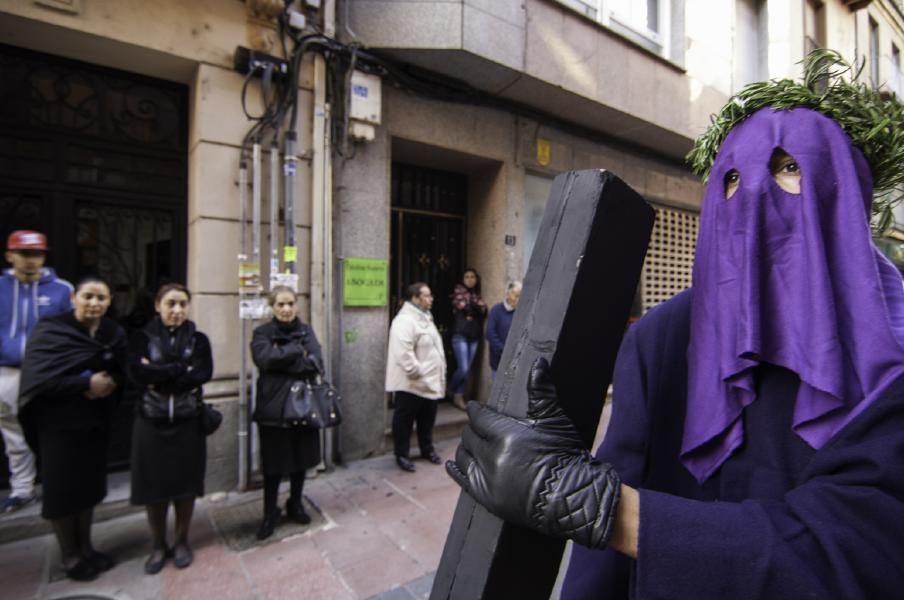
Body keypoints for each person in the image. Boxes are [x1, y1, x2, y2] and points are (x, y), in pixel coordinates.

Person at [445, 50, 904, 598]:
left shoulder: (894, 348)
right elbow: (602, 557)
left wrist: (606, 509)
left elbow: (863, 549)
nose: (755, 191)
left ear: (843, 190)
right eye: (731, 177)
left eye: (789, 168)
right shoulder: (663, 338)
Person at [18, 275, 127, 582]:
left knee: (88, 488)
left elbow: (123, 370)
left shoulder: (111, 332)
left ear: (108, 302)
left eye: (101, 298)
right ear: (73, 299)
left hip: (94, 422)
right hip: (58, 425)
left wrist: (110, 384)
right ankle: (69, 555)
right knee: (62, 492)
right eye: (88, 297)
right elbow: (38, 380)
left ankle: (87, 547)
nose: (94, 303)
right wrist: (84, 384)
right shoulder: (51, 330)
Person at [128, 283, 213, 574]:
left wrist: (160, 372)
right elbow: (137, 373)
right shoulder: (142, 337)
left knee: (185, 486)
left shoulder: (198, 340)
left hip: (188, 420)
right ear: (158, 305)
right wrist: (179, 370)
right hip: (151, 420)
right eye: (171, 304)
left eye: (182, 304)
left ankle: (181, 541)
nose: (177, 310)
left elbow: (202, 373)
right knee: (154, 488)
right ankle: (157, 544)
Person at [0, 230, 71, 513]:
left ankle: (58, 485)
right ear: (10, 255)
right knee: (14, 434)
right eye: (25, 254)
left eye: (37, 254)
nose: (31, 261)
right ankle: (22, 489)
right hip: (8, 370)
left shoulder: (62, 289)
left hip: (49, 374)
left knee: (54, 430)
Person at [251, 286, 322, 540]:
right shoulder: (262, 333)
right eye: (280, 304)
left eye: (290, 303)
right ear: (272, 307)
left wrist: (283, 356)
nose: (286, 309)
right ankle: (270, 512)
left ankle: (295, 502)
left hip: (302, 405)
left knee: (300, 459)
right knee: (273, 465)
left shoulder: (306, 331)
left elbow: (316, 362)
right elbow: (264, 359)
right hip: (272, 408)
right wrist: (295, 352)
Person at [386, 282, 446, 472]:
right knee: (404, 420)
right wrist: (417, 372)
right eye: (427, 296)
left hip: (429, 381)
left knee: (427, 418)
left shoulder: (425, 317)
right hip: (411, 383)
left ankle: (426, 449)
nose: (431, 299)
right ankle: (402, 454)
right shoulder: (404, 320)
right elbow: (403, 353)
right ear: (415, 298)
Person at [449, 268, 487, 410]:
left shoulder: (476, 294)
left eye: (472, 277)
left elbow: (483, 312)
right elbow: (465, 307)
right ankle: (451, 389)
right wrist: (476, 307)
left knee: (468, 369)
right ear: (462, 279)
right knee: (463, 368)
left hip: (474, 336)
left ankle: (458, 396)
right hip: (460, 335)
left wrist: (475, 308)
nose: (470, 279)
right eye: (467, 277)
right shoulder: (459, 291)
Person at [485, 280, 521, 379]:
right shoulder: (496, 310)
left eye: (520, 296)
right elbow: (490, 333)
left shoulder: (520, 313)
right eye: (516, 295)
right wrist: (504, 350)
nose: (518, 299)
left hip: (516, 362)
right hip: (498, 361)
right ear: (508, 294)